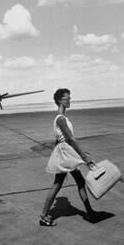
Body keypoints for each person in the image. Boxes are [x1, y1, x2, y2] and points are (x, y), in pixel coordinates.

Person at [40, 88, 97, 227]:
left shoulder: (61, 118)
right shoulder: (60, 118)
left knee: (76, 182)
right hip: (66, 154)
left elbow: (60, 140)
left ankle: (90, 212)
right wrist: (84, 157)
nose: (70, 100)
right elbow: (71, 139)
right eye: (67, 98)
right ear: (60, 100)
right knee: (60, 184)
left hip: (66, 153)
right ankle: (43, 216)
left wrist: (76, 154)